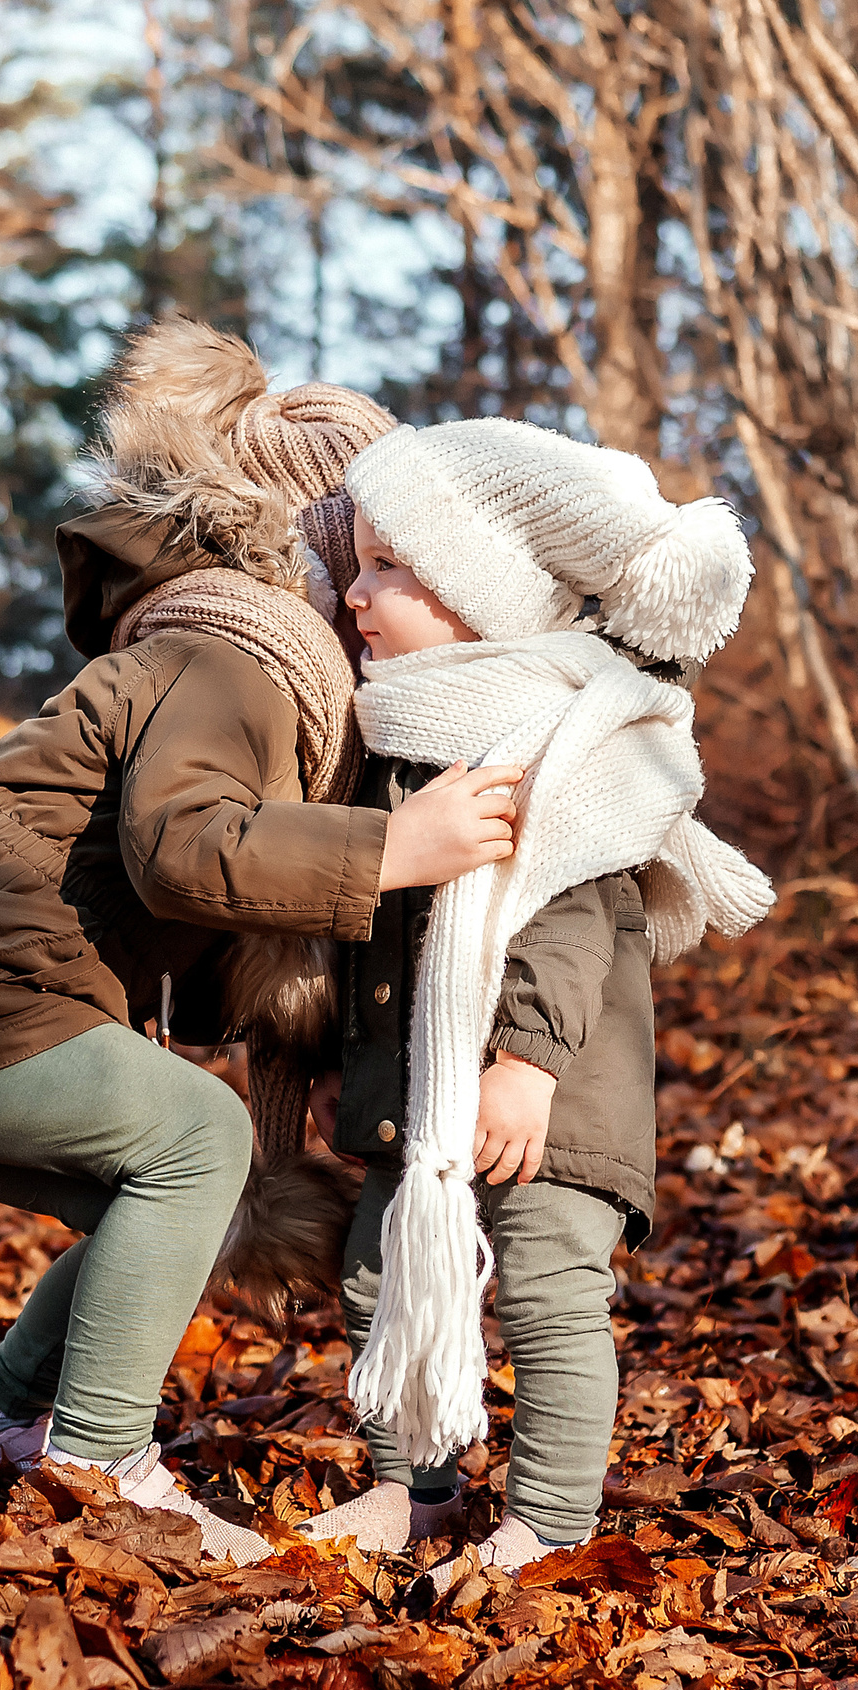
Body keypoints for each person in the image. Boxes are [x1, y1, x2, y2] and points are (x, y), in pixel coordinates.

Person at [0, 323, 525, 1564]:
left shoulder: (235, 649)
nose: (374, 593)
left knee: (160, 1192)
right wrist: (389, 852)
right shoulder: (238, 652)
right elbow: (185, 846)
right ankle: (100, 1459)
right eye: (364, 552)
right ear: (308, 532)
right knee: (196, 1139)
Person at [293, 418, 774, 1575]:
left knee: (551, 1288)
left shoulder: (553, 737)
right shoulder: (402, 729)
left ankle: (552, 1514)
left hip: (551, 1091)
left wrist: (525, 1061)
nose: (355, 593)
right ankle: (410, 1484)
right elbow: (369, 924)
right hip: (419, 1090)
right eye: (353, 565)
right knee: (377, 1272)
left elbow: (568, 921)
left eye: (387, 567)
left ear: (479, 590)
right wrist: (335, 1065)